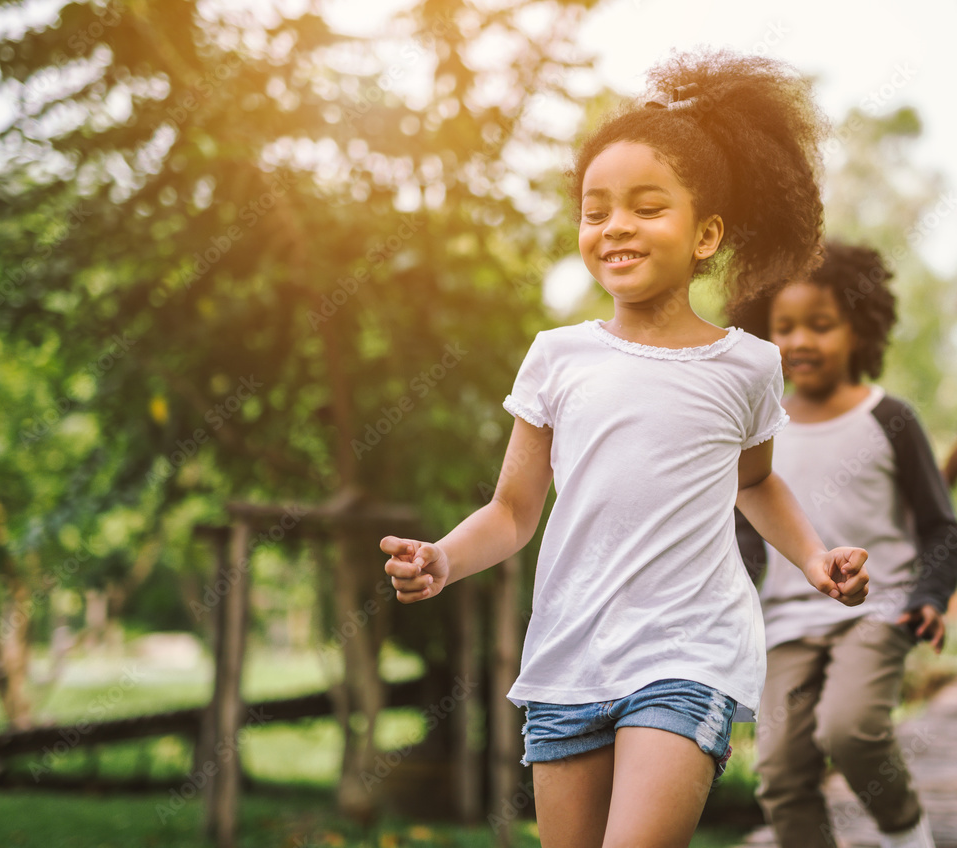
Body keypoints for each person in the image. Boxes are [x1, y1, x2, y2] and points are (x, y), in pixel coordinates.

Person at [381, 50, 870, 848]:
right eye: (595, 209)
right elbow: (511, 512)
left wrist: (814, 559)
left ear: (705, 233)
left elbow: (756, 484)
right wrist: (444, 557)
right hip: (570, 654)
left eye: (646, 207)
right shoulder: (556, 357)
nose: (615, 226)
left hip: (690, 652)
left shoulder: (748, 364)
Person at [731, 241, 957, 848]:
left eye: (820, 325)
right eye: (784, 327)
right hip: (786, 622)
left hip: (882, 609)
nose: (800, 340)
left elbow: (941, 525)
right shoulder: (762, 426)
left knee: (851, 728)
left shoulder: (893, 420)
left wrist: (931, 597)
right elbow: (748, 537)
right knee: (779, 771)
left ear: (860, 330)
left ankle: (908, 835)